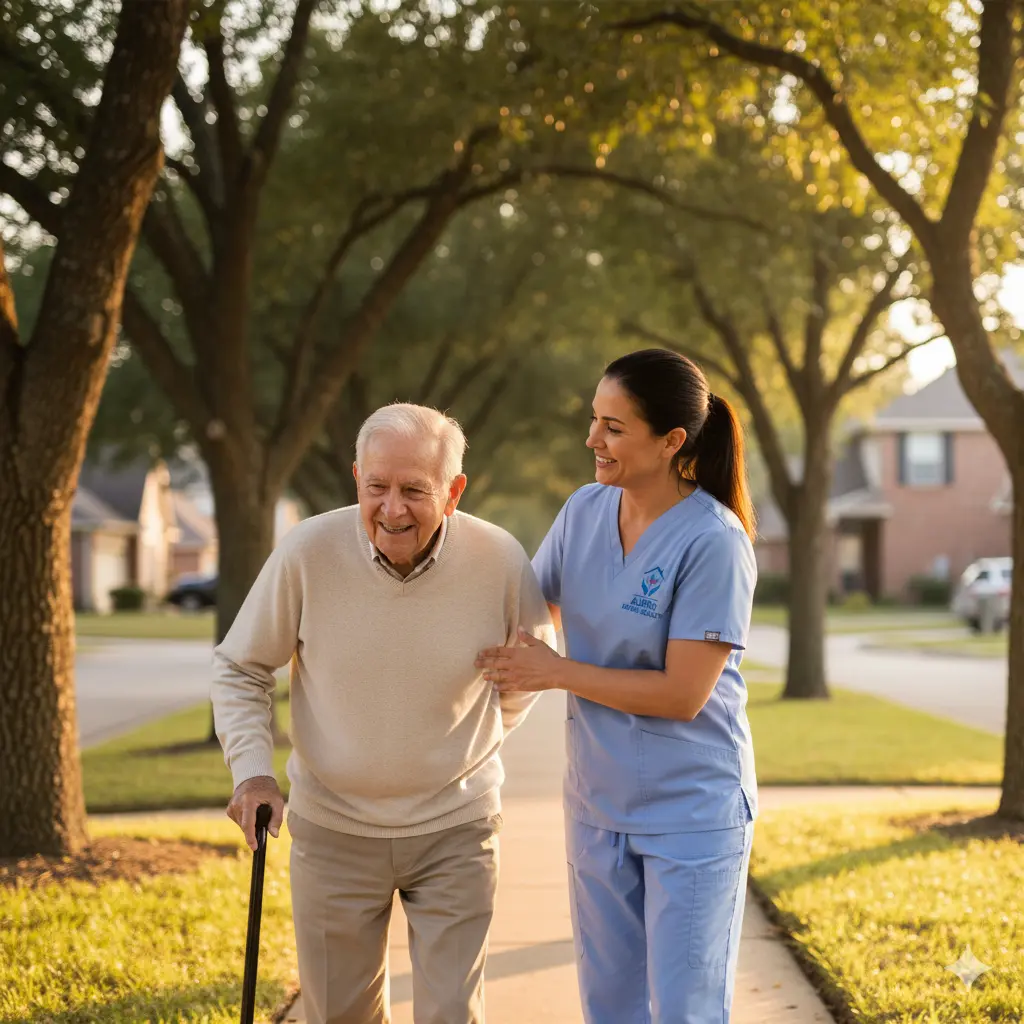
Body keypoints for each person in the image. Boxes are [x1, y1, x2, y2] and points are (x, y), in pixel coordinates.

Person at [212, 402, 554, 1024]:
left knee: (452, 1013)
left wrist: (463, 749)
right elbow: (240, 666)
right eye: (377, 488)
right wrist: (253, 771)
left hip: (456, 827)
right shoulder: (308, 551)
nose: (392, 509)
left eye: (414, 490)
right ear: (357, 479)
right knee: (340, 1016)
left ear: (453, 492)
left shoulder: (500, 560)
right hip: (333, 829)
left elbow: (530, 669)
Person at [476, 349, 759, 1024]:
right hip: (597, 804)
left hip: (691, 810)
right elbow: (527, 607)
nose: (592, 439)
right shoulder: (583, 511)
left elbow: (682, 694)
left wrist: (557, 673)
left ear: (671, 442)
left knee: (686, 1009)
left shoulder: (714, 542)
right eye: (594, 420)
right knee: (611, 1007)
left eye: (613, 427)